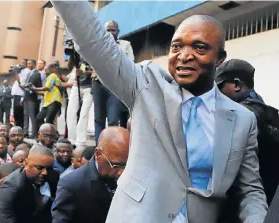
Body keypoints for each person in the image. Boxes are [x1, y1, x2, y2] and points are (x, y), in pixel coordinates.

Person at [52, 2, 267, 222]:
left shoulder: (242, 119)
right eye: (176, 46)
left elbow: (250, 189)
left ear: (220, 58)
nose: (184, 55)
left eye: (199, 47)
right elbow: (94, 42)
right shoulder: (146, 85)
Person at [216, 59, 279, 204]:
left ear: (237, 85)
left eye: (219, 88)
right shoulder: (271, 115)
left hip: (246, 204)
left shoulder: (239, 116)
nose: (216, 95)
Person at [52, 127, 129, 223]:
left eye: (126, 165)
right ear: (98, 154)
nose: (121, 172)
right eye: (115, 165)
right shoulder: (72, 184)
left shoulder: (131, 177)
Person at [90, 20, 134, 144]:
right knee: (98, 119)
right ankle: (98, 147)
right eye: (107, 30)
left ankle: (110, 148)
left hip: (115, 85)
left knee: (113, 119)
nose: (110, 32)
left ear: (118, 32)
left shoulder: (125, 45)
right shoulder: (96, 45)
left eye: (113, 30)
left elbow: (130, 63)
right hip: (98, 83)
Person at [0, 144, 56, 223]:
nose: (45, 172)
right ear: (26, 163)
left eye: (49, 168)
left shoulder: (53, 176)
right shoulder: (11, 187)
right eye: (39, 168)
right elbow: (6, 219)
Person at [66, 55, 93, 146]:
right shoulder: (77, 52)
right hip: (76, 85)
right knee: (70, 112)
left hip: (89, 87)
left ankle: (80, 140)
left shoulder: (95, 51)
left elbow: (97, 71)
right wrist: (71, 55)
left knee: (83, 114)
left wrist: (85, 71)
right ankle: (71, 139)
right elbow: (69, 66)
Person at [32, 63, 62, 128]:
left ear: (52, 69)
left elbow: (47, 88)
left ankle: (51, 135)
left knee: (49, 120)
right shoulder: (48, 78)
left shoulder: (53, 75)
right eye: (44, 70)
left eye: (47, 69)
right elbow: (44, 92)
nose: (45, 71)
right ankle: (46, 132)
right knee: (39, 118)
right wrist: (32, 90)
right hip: (47, 103)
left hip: (54, 101)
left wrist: (34, 88)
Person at [23, 59, 42, 138]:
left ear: (34, 64)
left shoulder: (36, 73)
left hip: (33, 97)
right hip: (26, 97)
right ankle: (25, 132)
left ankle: (34, 134)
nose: (28, 65)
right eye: (27, 63)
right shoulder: (28, 73)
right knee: (26, 115)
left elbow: (35, 85)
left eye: (30, 63)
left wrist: (30, 87)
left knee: (32, 116)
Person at [11, 59, 30, 128]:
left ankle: (20, 127)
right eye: (21, 63)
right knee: (15, 112)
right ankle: (16, 126)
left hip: (21, 93)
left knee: (19, 112)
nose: (21, 64)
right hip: (16, 93)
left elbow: (20, 82)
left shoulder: (27, 71)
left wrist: (16, 73)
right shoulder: (20, 70)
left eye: (23, 63)